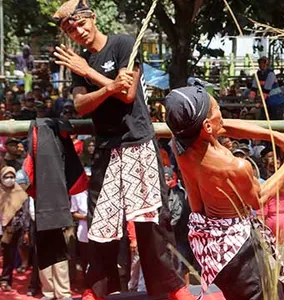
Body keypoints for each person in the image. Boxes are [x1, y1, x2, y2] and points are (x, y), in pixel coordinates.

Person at [52, 1, 193, 299]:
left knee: (152, 221)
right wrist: (104, 85)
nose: (78, 32)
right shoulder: (80, 63)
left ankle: (173, 288)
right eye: (70, 29)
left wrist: (90, 74)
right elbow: (80, 106)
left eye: (80, 23)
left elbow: (127, 94)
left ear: (92, 17)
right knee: (100, 220)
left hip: (137, 142)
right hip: (106, 146)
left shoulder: (122, 44)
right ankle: (98, 288)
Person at [164, 86, 284, 300]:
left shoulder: (180, 141)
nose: (222, 116)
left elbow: (225, 126)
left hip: (209, 247)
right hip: (237, 251)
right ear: (207, 126)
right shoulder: (234, 167)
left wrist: (278, 137)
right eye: (217, 109)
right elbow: (258, 199)